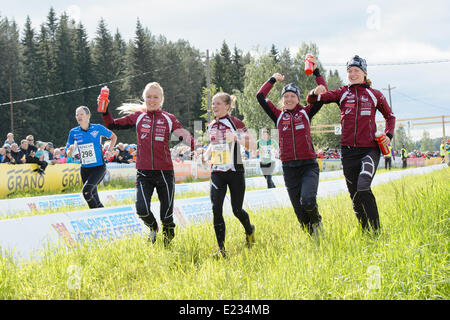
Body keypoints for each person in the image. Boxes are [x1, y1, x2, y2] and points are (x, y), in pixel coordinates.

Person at [101, 81, 200, 246]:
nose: (152, 100)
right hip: (143, 173)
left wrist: (198, 148)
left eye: (155, 97)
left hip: (165, 173)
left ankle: (168, 244)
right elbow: (112, 124)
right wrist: (104, 109)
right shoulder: (138, 117)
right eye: (149, 97)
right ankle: (153, 228)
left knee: (166, 216)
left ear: (161, 99)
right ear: (144, 98)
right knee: (141, 209)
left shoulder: (169, 119)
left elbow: (185, 136)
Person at [307, 55, 396, 233]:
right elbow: (315, 99)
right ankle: (365, 232)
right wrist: (314, 86)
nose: (352, 74)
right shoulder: (342, 93)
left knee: (363, 187)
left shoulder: (374, 94)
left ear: (364, 73)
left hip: (369, 150)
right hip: (348, 153)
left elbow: (390, 116)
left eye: (356, 70)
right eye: (349, 71)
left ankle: (377, 232)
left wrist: (388, 135)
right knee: (355, 196)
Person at [256, 57, 327, 237]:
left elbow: (323, 92)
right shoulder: (278, 115)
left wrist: (317, 73)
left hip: (308, 165)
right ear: (282, 99)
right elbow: (260, 96)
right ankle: (314, 239)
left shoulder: (306, 112)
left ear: (298, 98)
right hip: (289, 167)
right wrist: (272, 80)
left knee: (308, 201)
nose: (289, 99)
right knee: (300, 214)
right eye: (286, 96)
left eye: (292, 96)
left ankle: (317, 221)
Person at [202, 92, 256, 258]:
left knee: (237, 210)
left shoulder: (235, 122)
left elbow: (252, 145)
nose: (214, 107)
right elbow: (213, 144)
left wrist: (237, 137)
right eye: (213, 104)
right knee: (216, 209)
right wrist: (206, 154)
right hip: (217, 172)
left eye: (218, 104)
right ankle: (221, 250)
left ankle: (249, 230)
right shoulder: (211, 125)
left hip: (235, 171)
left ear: (227, 106)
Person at [67, 106, 117, 209]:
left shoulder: (97, 128)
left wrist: (109, 150)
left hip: (98, 167)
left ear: (88, 116)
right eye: (77, 115)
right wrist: (70, 150)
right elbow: (68, 153)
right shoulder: (73, 132)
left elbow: (113, 137)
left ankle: (96, 214)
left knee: (86, 192)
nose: (79, 117)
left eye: (81, 114)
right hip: (85, 168)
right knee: (93, 197)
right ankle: (101, 215)